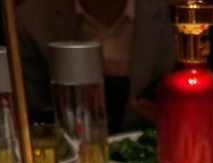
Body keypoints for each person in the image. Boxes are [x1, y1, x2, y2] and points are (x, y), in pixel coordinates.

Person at [16, 0, 175, 132]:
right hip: (70, 152)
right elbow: (35, 117)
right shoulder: (31, 20)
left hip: (153, 150)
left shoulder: (172, 12)